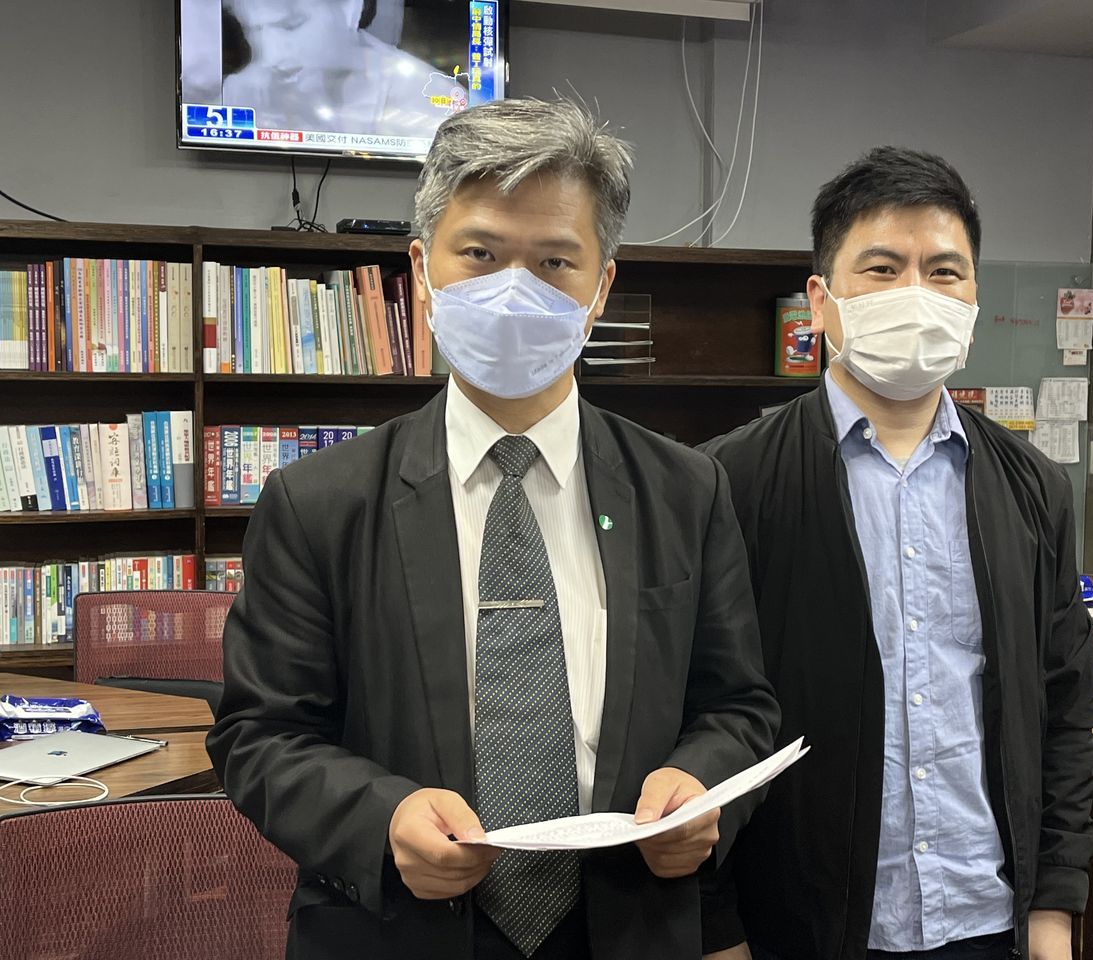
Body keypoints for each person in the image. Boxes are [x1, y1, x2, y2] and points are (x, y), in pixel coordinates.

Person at [208, 98, 779, 960]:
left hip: (625, 920)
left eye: (555, 261)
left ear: (602, 286)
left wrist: (702, 787)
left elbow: (738, 706)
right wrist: (384, 817)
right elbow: (259, 734)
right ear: (421, 267)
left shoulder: (685, 489)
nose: (516, 289)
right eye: (480, 254)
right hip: (398, 927)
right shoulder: (318, 502)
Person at [699, 147, 1093, 960]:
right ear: (821, 300)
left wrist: (1054, 910)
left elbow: (1064, 711)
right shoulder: (727, 482)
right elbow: (700, 714)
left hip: (987, 918)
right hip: (804, 925)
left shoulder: (1032, 487)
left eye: (944, 272)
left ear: (974, 299)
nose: (917, 293)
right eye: (882, 269)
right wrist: (717, 930)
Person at [222, 0, 466, 137]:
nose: (272, 54)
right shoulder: (239, 91)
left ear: (350, 9)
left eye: (290, 25)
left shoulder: (437, 100)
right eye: (255, 29)